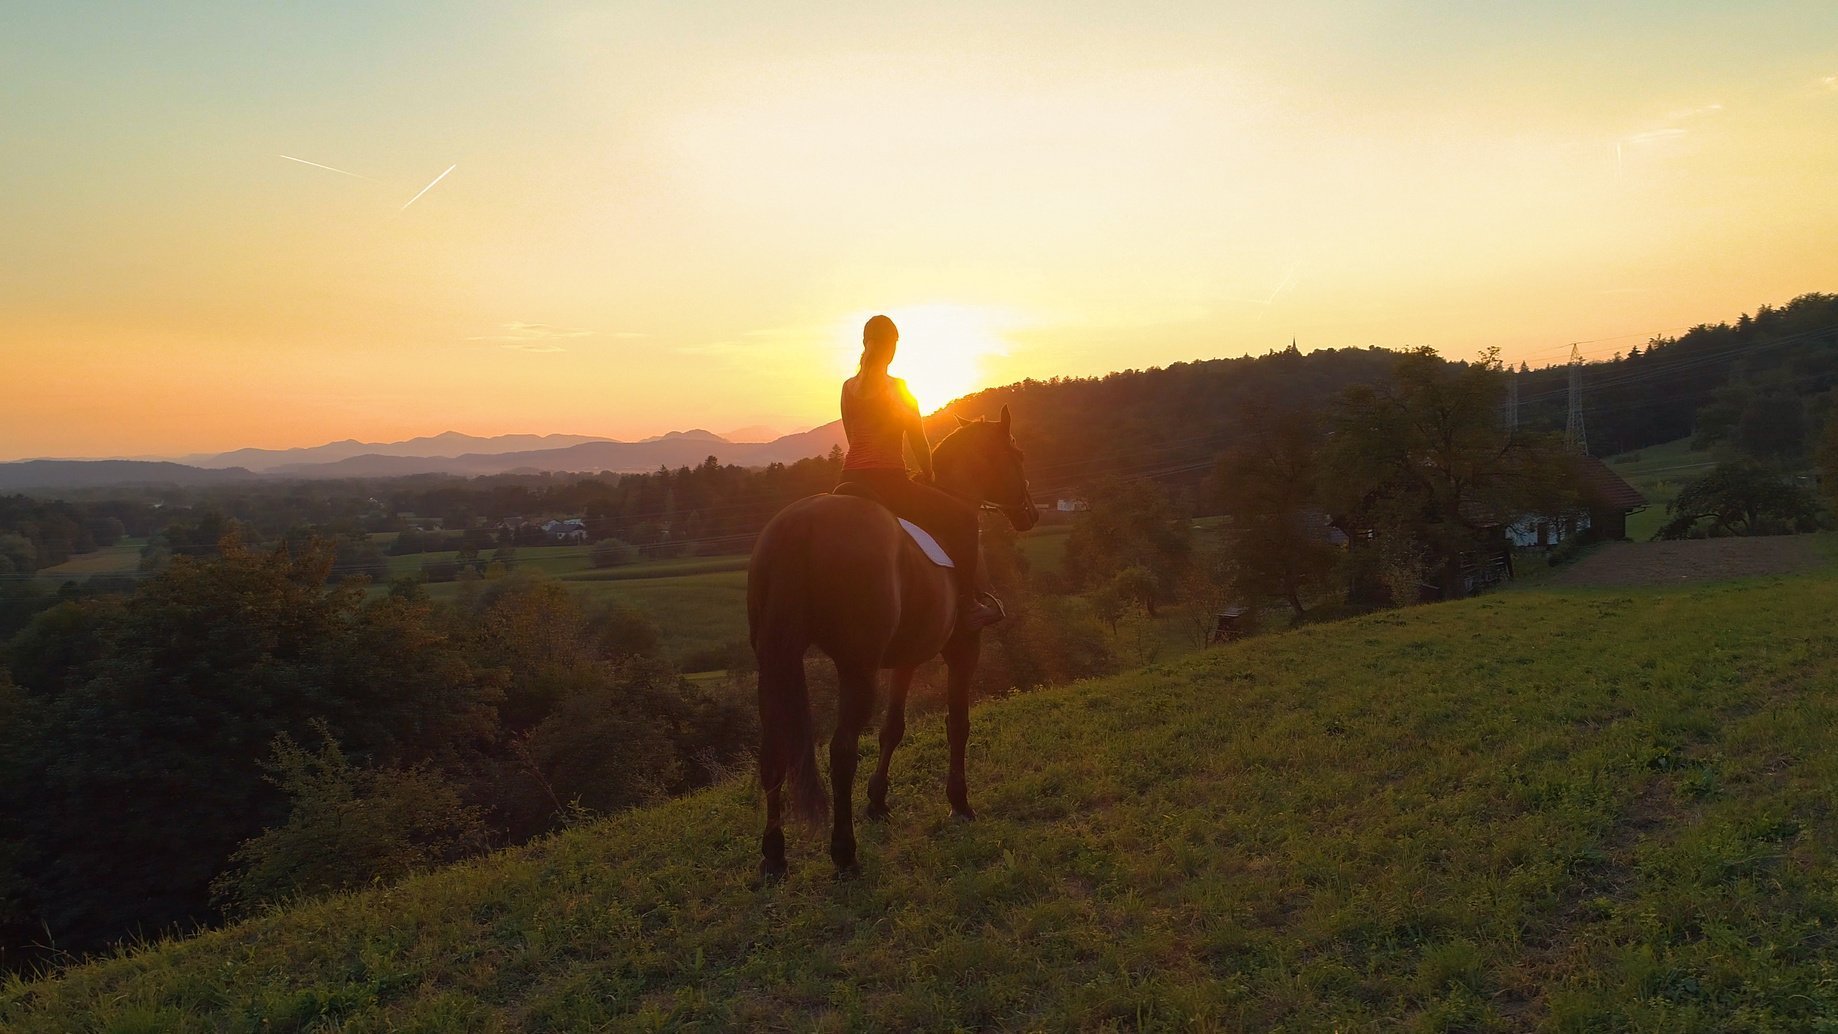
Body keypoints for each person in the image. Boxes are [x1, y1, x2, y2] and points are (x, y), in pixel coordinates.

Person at [836, 314, 1004, 631]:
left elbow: (850, 435)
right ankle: (968, 604)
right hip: (888, 483)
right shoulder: (899, 388)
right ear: (892, 348)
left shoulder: (848, 388)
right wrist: (928, 473)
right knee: (965, 520)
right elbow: (919, 441)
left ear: (864, 343)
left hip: (848, 480)